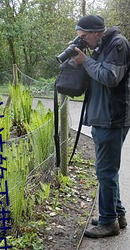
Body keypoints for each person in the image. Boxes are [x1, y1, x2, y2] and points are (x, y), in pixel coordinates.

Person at [72, 15, 130, 238]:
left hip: (112, 118)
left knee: (105, 171)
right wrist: (82, 60)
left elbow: (109, 77)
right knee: (107, 171)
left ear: (96, 32)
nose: (83, 41)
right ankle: (117, 214)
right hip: (102, 117)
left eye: (84, 37)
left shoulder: (118, 44)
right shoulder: (101, 46)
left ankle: (108, 223)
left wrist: (85, 61)